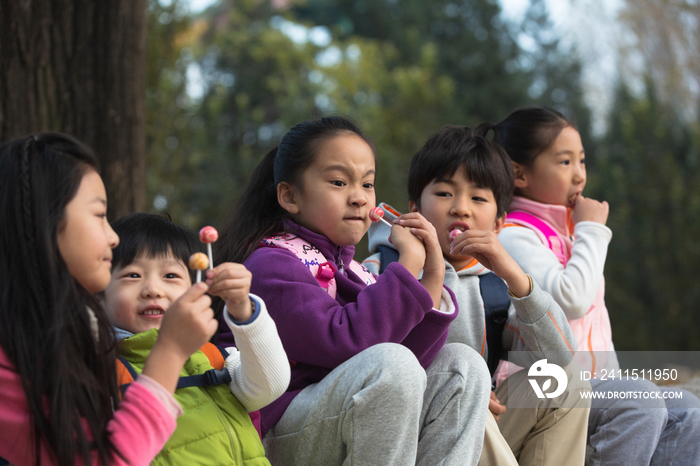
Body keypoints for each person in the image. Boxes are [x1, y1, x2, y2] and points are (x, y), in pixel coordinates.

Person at [214, 116, 492, 466]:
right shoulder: (272, 263)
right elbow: (346, 341)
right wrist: (407, 263)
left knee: (463, 366)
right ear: (290, 195)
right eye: (339, 182)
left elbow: (414, 358)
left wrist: (433, 270)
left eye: (367, 184)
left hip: (330, 416)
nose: (359, 198)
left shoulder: (355, 271)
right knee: (391, 363)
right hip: (273, 428)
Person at [363, 125, 591, 465]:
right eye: (443, 193)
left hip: (486, 429)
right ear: (415, 208)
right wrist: (461, 391)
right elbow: (370, 358)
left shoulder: (496, 288)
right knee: (465, 391)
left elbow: (560, 355)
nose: (461, 209)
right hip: (413, 433)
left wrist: (514, 275)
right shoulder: (383, 269)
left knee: (566, 383)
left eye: (479, 198)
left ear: (498, 223)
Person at [488, 106, 700, 466]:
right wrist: (591, 231)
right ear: (518, 173)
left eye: (581, 161)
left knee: (689, 410)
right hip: (543, 385)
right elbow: (570, 300)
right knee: (641, 401)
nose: (579, 176)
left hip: (597, 380)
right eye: (565, 162)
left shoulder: (565, 234)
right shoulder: (514, 236)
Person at [0, 133, 218, 465]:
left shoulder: (68, 331)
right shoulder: (11, 358)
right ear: (46, 219)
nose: (113, 237)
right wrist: (170, 353)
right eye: (100, 215)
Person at [103, 213, 290, 465]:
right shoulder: (101, 371)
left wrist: (244, 311)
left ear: (196, 286)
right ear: (99, 296)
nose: (152, 289)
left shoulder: (213, 357)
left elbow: (270, 386)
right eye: (132, 275)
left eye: (170, 276)